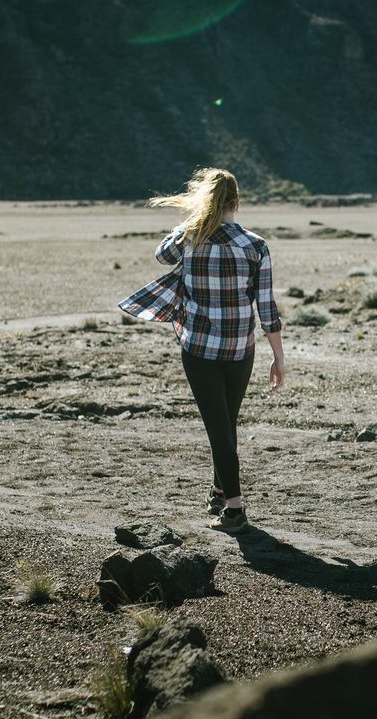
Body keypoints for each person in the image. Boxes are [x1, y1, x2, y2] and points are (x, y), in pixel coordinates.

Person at [119, 168, 286, 535]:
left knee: (218, 428)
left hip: (198, 348)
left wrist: (191, 222)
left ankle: (234, 511)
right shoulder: (256, 245)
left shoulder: (191, 239)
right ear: (237, 203)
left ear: (205, 203)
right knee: (226, 424)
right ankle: (218, 490)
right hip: (242, 348)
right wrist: (278, 356)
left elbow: (161, 255)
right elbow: (267, 307)